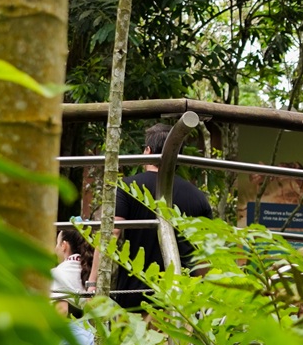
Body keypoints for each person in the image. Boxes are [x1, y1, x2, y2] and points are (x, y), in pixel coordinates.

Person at [87, 123, 213, 310]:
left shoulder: (127, 187)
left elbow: (111, 235)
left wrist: (92, 284)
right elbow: (205, 254)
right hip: (181, 300)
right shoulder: (198, 197)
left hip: (134, 294)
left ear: (147, 151)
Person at [51, 227, 95, 345]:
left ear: (64, 246)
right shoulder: (89, 270)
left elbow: (60, 310)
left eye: (56, 244)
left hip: (69, 335)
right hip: (91, 336)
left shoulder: (58, 273)